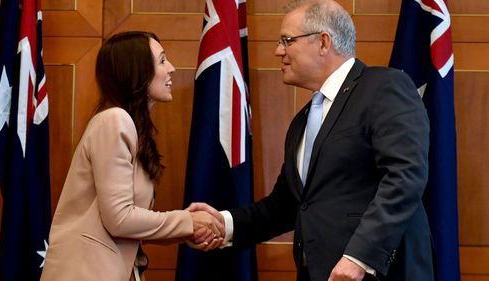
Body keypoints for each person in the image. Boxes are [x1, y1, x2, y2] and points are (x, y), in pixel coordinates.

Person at [188, 0, 435, 280]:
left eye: (287, 40)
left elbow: (406, 175)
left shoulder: (383, 87)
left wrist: (359, 257)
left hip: (376, 272)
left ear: (323, 42)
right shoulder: (303, 121)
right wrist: (225, 223)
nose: (278, 51)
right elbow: (286, 205)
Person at [41, 31, 223, 281]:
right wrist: (187, 221)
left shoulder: (128, 126)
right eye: (161, 60)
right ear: (136, 72)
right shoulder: (115, 120)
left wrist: (186, 231)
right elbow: (119, 218)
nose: (171, 68)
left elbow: (126, 223)